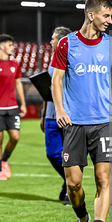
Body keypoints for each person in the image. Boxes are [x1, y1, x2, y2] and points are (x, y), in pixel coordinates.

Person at [51, 0, 112, 222]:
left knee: (103, 179)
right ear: (91, 15)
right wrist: (60, 109)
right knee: (73, 184)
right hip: (74, 122)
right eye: (106, 16)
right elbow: (56, 80)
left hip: (103, 121)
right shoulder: (66, 44)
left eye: (110, 16)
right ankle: (82, 220)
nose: (110, 20)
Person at [0, 34, 27, 180]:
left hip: (12, 107)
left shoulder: (15, 64)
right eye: (10, 45)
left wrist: (22, 103)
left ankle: (4, 160)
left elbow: (18, 84)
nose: (13, 47)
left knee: (15, 137)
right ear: (2, 46)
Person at [41, 26, 72, 205]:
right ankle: (69, 179)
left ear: (61, 40)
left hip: (68, 115)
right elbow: (49, 88)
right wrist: (43, 114)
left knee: (69, 155)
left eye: (53, 38)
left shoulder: (73, 58)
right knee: (52, 154)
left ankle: (71, 187)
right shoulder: (53, 58)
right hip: (51, 115)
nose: (50, 41)